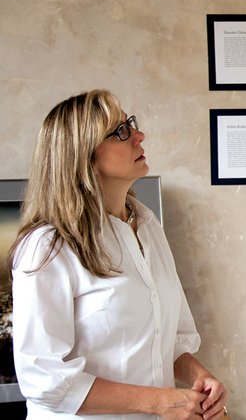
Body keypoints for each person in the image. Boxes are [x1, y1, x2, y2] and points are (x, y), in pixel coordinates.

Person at [8, 90, 228, 419]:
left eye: (131, 124)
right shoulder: (48, 247)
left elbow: (169, 339)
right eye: (120, 131)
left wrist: (199, 376)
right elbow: (44, 379)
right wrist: (163, 402)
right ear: (84, 157)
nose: (138, 136)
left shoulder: (149, 226)